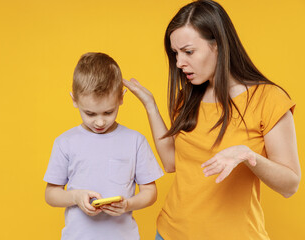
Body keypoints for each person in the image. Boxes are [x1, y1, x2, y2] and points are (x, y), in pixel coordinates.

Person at [123, 0, 301, 239]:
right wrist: (151, 106)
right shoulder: (188, 98)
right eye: (175, 53)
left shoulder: (268, 99)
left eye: (188, 52)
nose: (179, 63)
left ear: (218, 44)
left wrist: (247, 155)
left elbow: (290, 185)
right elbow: (170, 163)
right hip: (169, 233)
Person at [43, 52, 164, 240]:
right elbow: (51, 194)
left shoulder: (135, 141)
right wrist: (76, 197)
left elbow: (150, 192)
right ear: (74, 100)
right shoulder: (65, 142)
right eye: (90, 114)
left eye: (108, 112)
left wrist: (128, 204)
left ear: (121, 98)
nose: (99, 122)